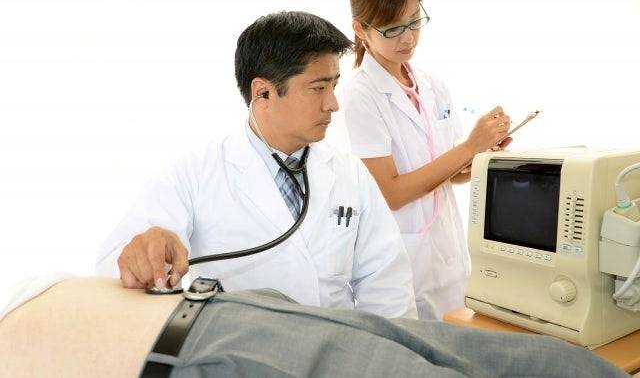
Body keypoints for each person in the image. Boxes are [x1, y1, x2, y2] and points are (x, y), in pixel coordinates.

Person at [96, 11, 418, 319]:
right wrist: (144, 253)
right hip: (238, 350)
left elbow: (388, 289)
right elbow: (115, 265)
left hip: (337, 349)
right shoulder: (194, 173)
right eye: (318, 88)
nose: (333, 104)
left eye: (334, 85)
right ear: (262, 92)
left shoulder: (350, 173)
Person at [0, 276, 627, 377]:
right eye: (319, 87)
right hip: (194, 354)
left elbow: (128, 253)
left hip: (241, 308)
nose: (332, 103)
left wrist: (150, 245)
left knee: (527, 359)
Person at [344, 0, 513, 320]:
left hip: (447, 251)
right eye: (393, 28)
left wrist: (484, 155)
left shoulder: (433, 86)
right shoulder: (361, 95)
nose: (408, 38)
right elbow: (391, 192)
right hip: (402, 263)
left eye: (414, 21)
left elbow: (451, 174)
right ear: (360, 29)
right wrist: (469, 147)